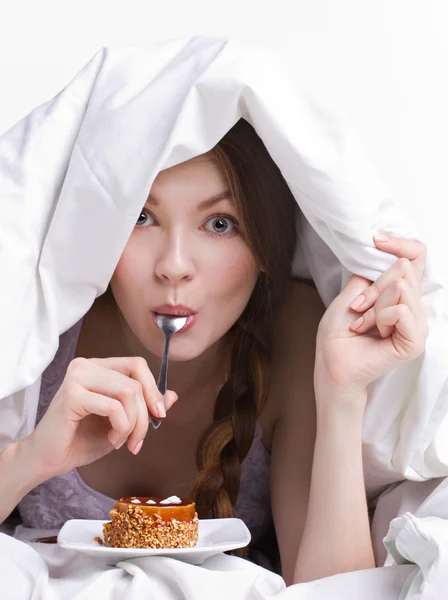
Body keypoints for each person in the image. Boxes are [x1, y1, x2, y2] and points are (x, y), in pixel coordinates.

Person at [0, 119, 428, 585]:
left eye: (219, 224)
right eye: (140, 218)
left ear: (265, 246)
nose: (174, 266)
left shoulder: (297, 331)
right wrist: (29, 459)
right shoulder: (39, 321)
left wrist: (342, 394)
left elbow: (334, 592)